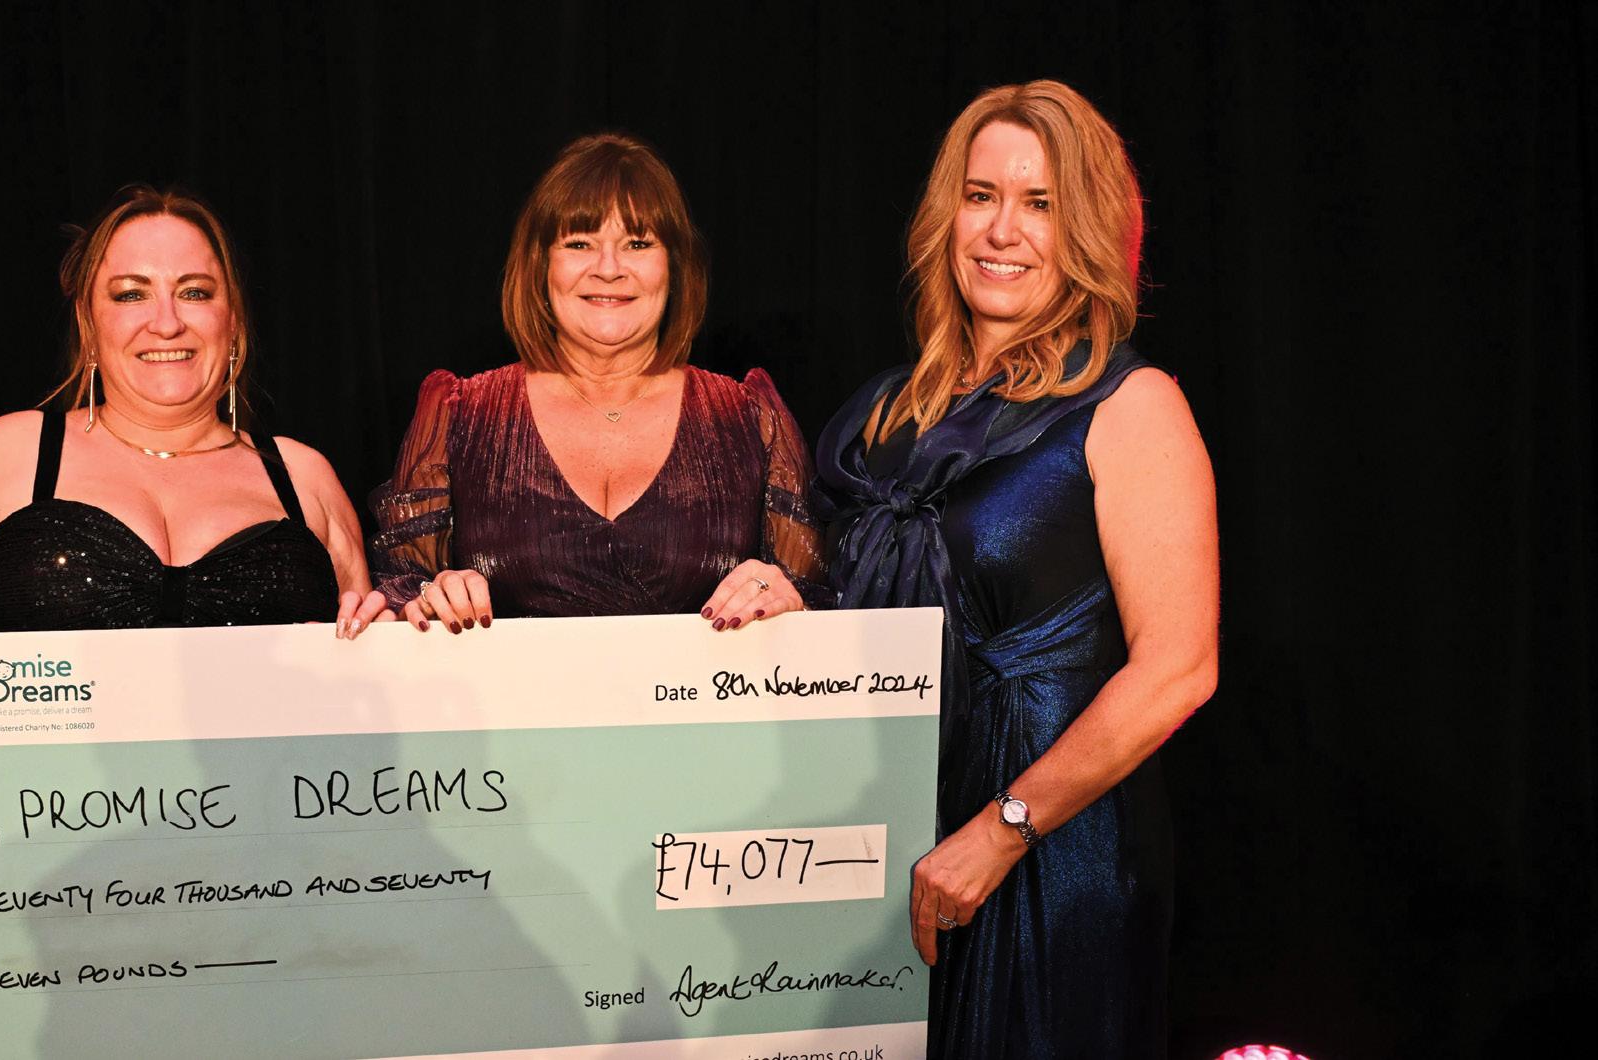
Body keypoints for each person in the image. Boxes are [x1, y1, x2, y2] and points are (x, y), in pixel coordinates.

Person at [812, 81, 1219, 1055]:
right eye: (980, 195)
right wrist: (779, 590)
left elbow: (1179, 669)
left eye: (1040, 203)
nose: (1002, 230)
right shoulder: (886, 408)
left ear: (1088, 228)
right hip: (887, 836)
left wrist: (999, 832)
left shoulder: (1130, 404)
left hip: (1047, 857)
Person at [0, 186, 389, 701]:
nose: (167, 323)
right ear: (89, 323)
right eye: (131, 294)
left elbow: (367, 648)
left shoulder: (302, 475)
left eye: (194, 292)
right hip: (42, 776)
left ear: (233, 321)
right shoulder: (6, 453)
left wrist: (390, 640)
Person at [369, 133, 824, 631]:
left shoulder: (751, 418)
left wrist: (786, 597)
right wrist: (428, 597)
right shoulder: (459, 414)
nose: (609, 270)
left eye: (638, 244)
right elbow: (400, 593)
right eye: (580, 244)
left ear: (674, 265)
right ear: (541, 264)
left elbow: (822, 605)